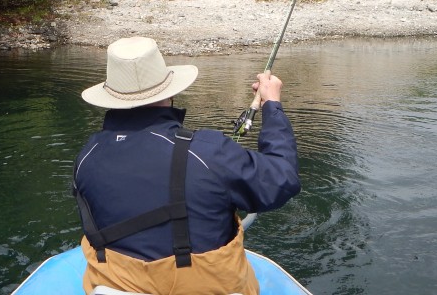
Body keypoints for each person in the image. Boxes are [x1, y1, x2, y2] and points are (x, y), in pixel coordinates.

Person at [72, 36, 300, 295]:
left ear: (111, 98)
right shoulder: (208, 150)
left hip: (113, 286)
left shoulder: (86, 156)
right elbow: (282, 179)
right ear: (170, 91)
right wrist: (272, 105)